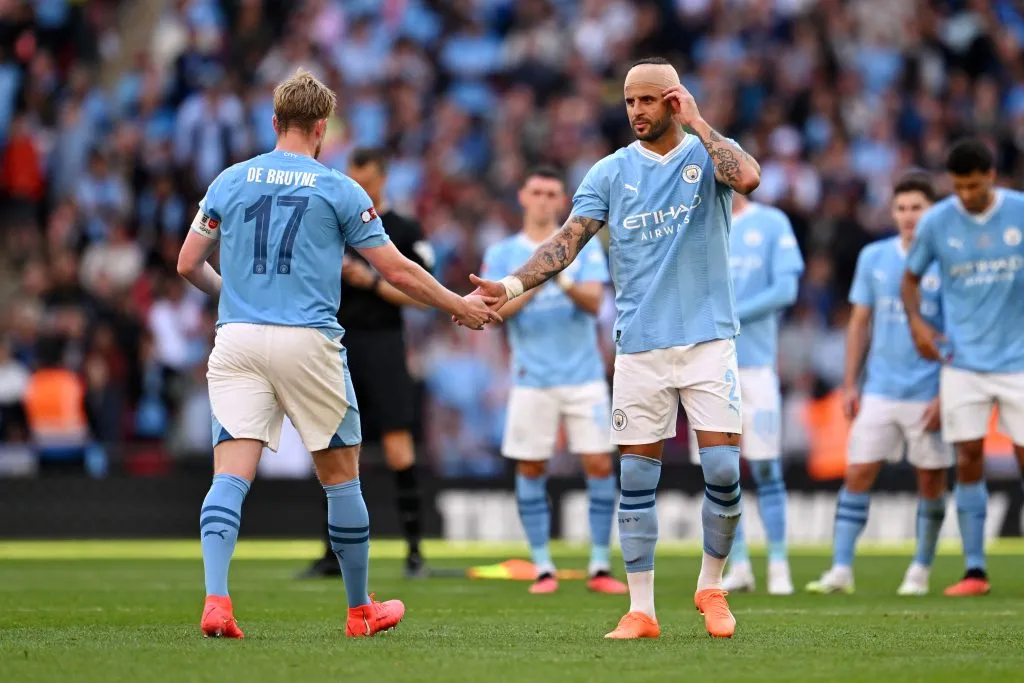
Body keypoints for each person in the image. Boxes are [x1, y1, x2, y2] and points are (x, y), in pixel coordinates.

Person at [176, 69, 499, 639]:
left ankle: (217, 601)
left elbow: (185, 264)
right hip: (308, 340)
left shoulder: (229, 180)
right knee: (341, 477)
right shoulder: (337, 187)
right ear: (322, 129)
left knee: (229, 474)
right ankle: (359, 611)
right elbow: (396, 269)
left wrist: (238, 295)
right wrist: (459, 304)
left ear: (274, 122)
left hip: (238, 339)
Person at [467, 57, 760, 639]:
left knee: (723, 471)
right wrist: (510, 285)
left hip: (707, 340)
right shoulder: (607, 173)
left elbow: (748, 177)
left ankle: (711, 585)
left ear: (673, 100)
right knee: (636, 483)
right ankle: (642, 610)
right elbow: (567, 242)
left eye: (648, 101)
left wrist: (700, 122)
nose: (636, 112)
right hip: (640, 349)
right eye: (629, 102)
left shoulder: (707, 156)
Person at [481, 166, 627, 596]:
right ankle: (543, 566)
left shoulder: (581, 248)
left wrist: (554, 272)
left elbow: (593, 301)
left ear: (562, 202)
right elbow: (495, 314)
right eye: (536, 192)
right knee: (531, 465)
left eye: (551, 193)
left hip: (582, 374)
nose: (543, 200)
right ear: (523, 198)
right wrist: (531, 282)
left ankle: (599, 564)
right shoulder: (503, 252)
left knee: (599, 463)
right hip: (531, 377)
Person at [806, 172, 950, 596]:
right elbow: (859, 323)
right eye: (902, 208)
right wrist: (851, 383)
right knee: (858, 473)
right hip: (881, 389)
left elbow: (959, 331)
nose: (908, 216)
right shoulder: (874, 256)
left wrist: (948, 391)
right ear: (892, 212)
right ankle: (841, 569)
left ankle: (920, 570)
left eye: (916, 208)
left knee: (930, 482)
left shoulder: (947, 261)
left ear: (931, 212)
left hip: (928, 390)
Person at [301, 147, 433, 580]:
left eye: (367, 180)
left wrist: (370, 280)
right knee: (332, 444)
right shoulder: (336, 227)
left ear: (383, 177)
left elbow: (418, 294)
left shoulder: (404, 229)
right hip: (339, 342)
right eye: (353, 179)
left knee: (397, 443)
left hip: (384, 344)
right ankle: (330, 554)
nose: (359, 188)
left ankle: (414, 550)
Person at [901, 139, 1024, 597]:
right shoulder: (938, 222)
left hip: (1018, 361)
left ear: (992, 176)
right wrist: (918, 325)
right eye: (958, 187)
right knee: (968, 458)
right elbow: (910, 278)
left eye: (973, 186)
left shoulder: (1019, 212)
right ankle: (975, 570)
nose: (966, 195)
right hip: (963, 362)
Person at [719, 191, 804, 595]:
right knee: (723, 472)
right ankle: (739, 565)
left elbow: (786, 290)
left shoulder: (771, 223)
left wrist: (732, 313)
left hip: (755, 368)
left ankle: (779, 565)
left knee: (767, 468)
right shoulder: (696, 220)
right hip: (709, 367)